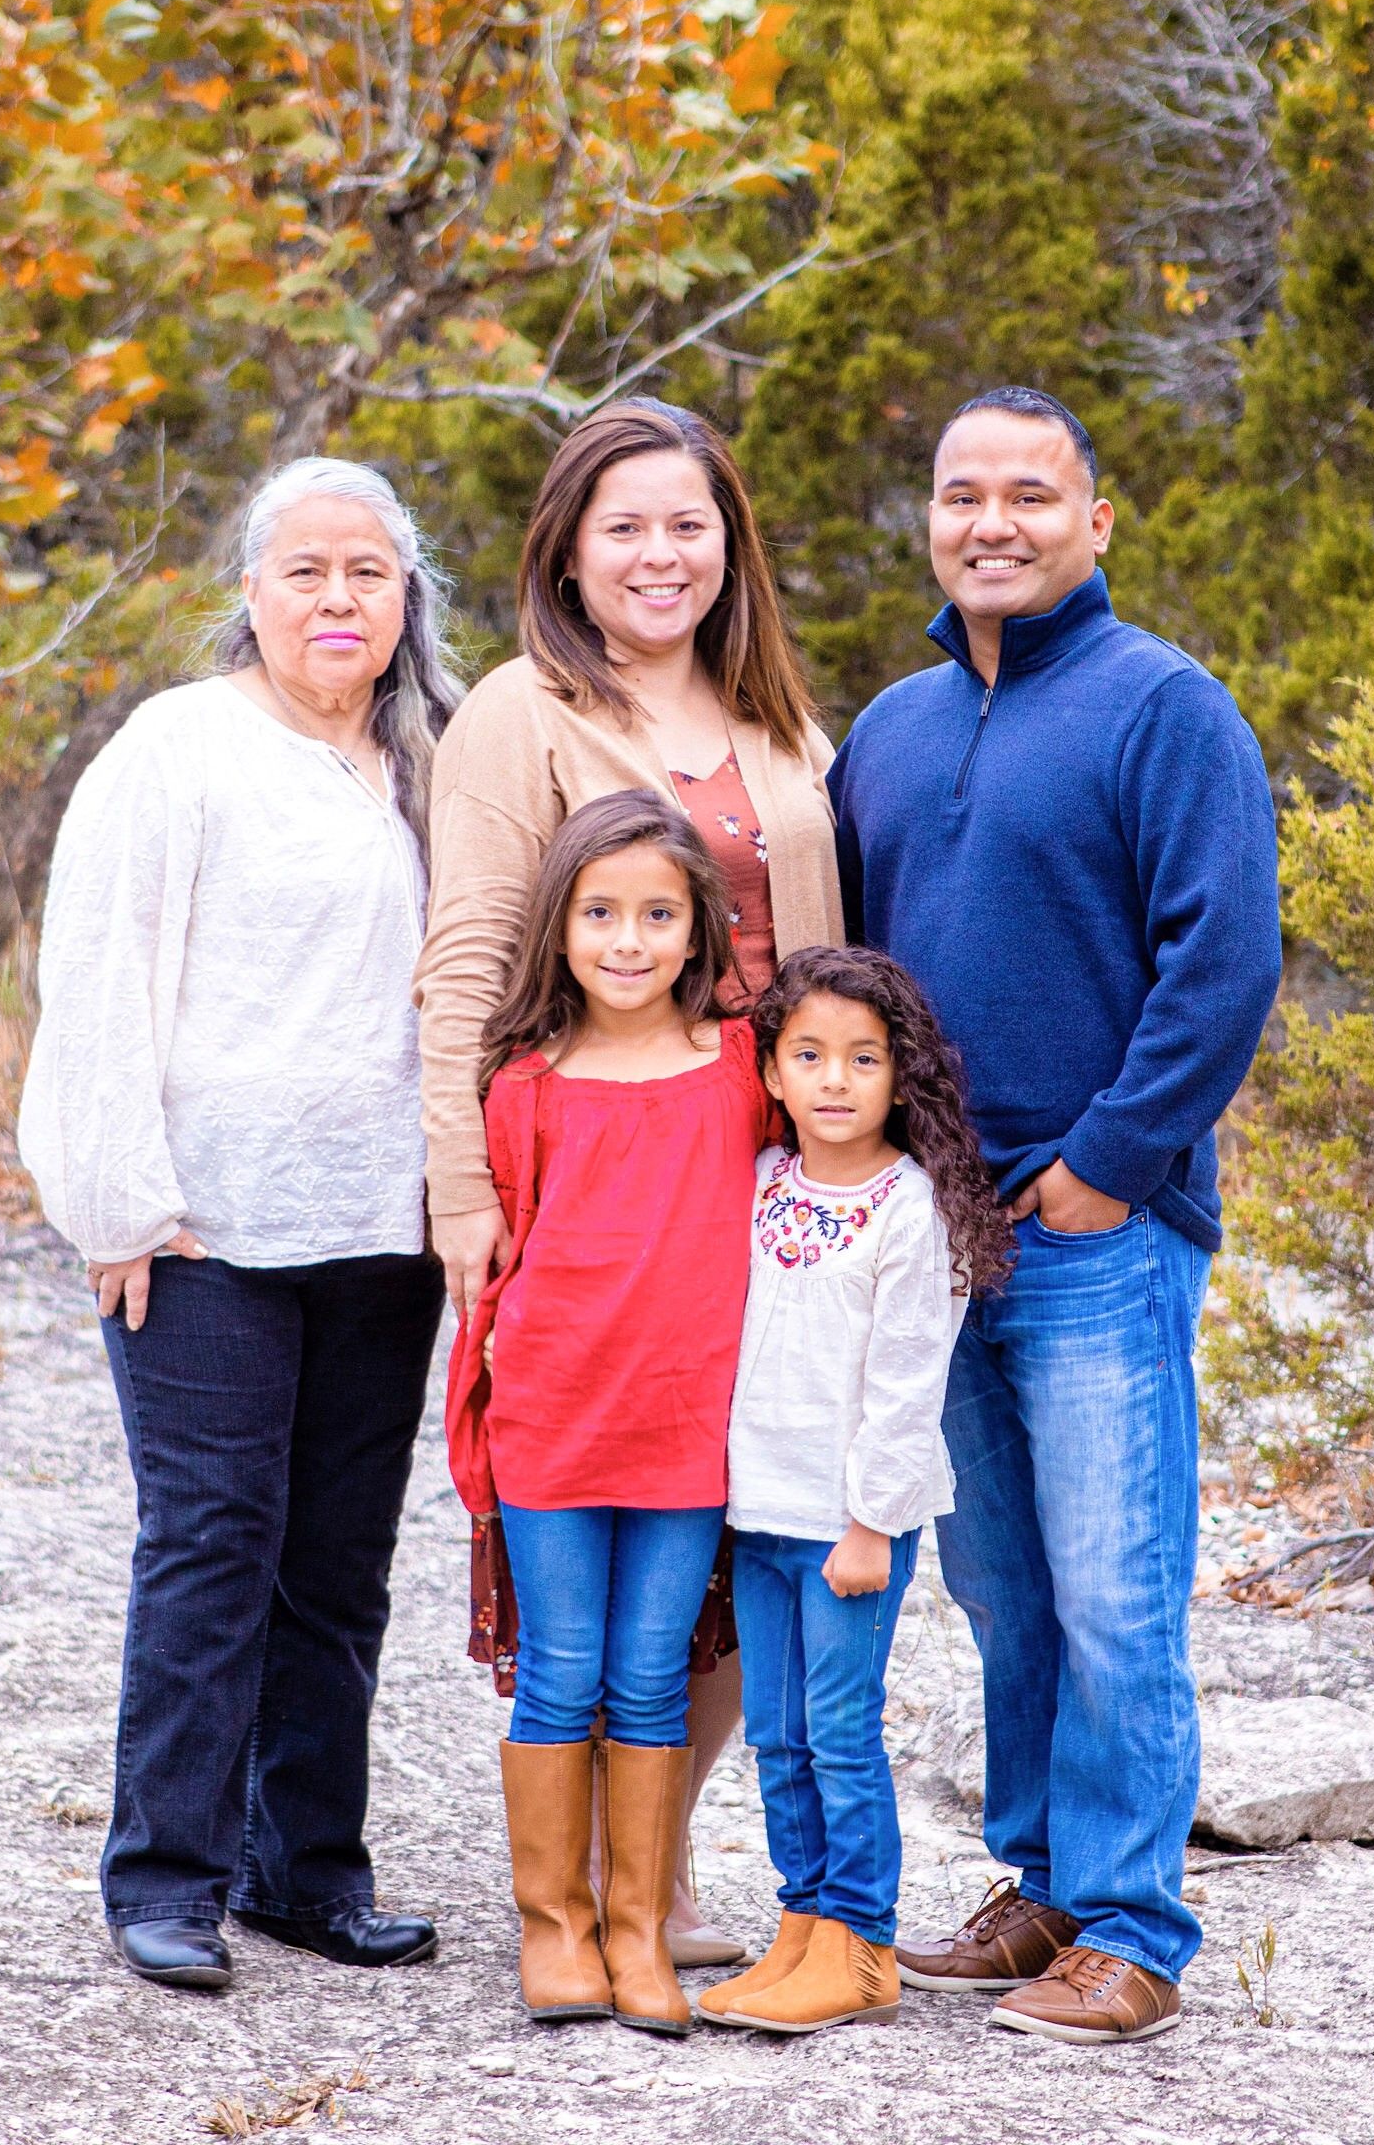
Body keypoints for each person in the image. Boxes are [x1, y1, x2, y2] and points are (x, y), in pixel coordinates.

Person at [830, 387, 1282, 2045]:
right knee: (1004, 1585)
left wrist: (1109, 1161)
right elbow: (853, 980)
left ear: (1096, 521)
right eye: (964, 495)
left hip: (1097, 1230)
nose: (993, 522)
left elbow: (1223, 962)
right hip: (933, 1240)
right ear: (931, 520)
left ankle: (1138, 1928)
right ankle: (1042, 1890)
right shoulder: (884, 730)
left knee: (1113, 1585)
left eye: (1032, 494)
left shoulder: (1164, 710)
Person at [16, 458, 463, 1994]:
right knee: (213, 1544)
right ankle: (167, 1881)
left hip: (381, 1230)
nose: (339, 600)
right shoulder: (182, 747)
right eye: (307, 572)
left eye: (369, 574)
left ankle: (306, 1874)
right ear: (254, 596)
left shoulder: (431, 760)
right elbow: (99, 973)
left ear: (408, 602)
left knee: (337, 1563)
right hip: (206, 1228)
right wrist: (117, 1198)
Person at [415, 396, 836, 1967]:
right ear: (568, 557)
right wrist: (466, 1190)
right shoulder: (516, 717)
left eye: (688, 524)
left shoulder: (781, 718)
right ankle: (573, 1901)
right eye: (625, 528)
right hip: (592, 1177)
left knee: (731, 1522)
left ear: (729, 546)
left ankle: (644, 1883)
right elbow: (467, 959)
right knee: (596, 1521)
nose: (661, 554)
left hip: (769, 1178)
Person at [438, 791, 771, 2036]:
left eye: (657, 916)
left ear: (699, 932)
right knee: (561, 1673)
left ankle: (641, 1930)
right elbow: (510, 1257)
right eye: (599, 914)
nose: (628, 940)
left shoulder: (744, 1069)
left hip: (689, 1421)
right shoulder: (524, 1084)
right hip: (555, 1415)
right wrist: (482, 1411)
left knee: (650, 1679)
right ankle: (556, 1929)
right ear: (559, 929)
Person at [693, 946, 1013, 2037]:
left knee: (839, 1731)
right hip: (761, 1511)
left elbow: (906, 1382)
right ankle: (804, 1925)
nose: (835, 1079)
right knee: (776, 1735)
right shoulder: (761, 1184)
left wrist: (872, 1523)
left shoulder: (907, 1212)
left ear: (898, 1075)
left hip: (849, 1524)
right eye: (810, 1055)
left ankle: (863, 1945)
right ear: (772, 1073)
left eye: (863, 1058)